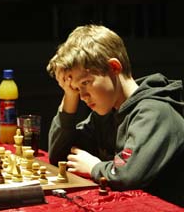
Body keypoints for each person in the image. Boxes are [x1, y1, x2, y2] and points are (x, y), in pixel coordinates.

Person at [46, 24, 184, 207]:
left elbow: (127, 175)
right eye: (77, 88)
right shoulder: (106, 112)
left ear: (113, 67)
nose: (83, 96)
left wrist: (94, 167)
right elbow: (60, 156)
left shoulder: (155, 111)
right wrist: (69, 96)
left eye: (86, 82)